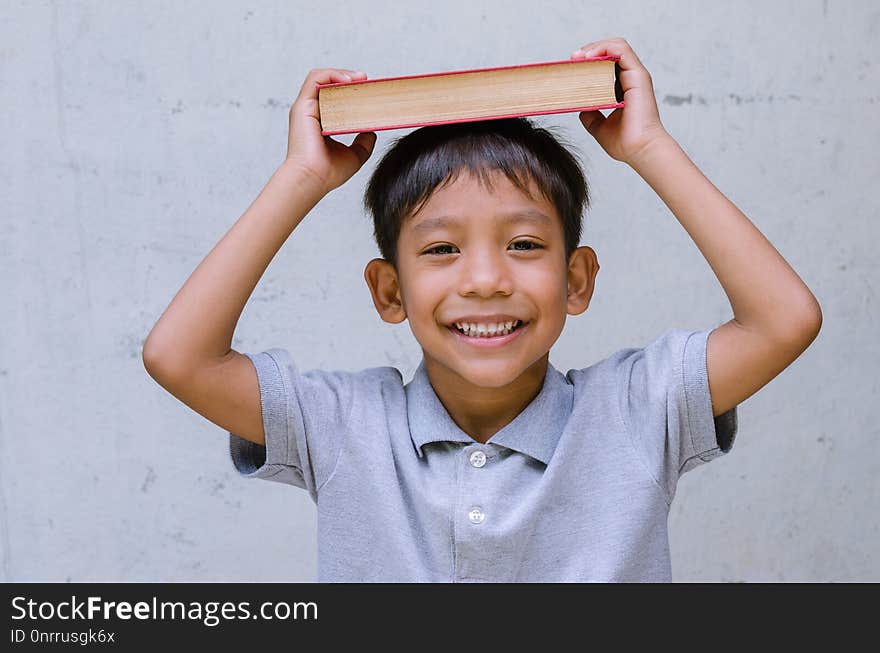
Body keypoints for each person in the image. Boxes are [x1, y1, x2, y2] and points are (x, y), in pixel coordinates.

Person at [142, 38, 822, 582]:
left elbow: (784, 319)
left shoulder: (637, 410)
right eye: (441, 249)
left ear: (577, 280)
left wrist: (650, 148)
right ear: (390, 292)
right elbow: (179, 357)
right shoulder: (342, 426)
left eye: (524, 243)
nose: (487, 279)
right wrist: (303, 175)